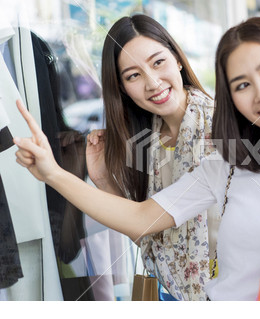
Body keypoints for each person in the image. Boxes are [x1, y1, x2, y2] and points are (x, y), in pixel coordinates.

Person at [14, 17, 260, 300]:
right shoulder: (211, 161)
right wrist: (64, 174)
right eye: (242, 84)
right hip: (173, 294)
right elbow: (143, 224)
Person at [84, 15, 218, 301]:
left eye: (158, 62)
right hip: (167, 293)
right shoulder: (148, 140)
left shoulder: (222, 129)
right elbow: (144, 233)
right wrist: (103, 180)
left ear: (178, 59)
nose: (153, 82)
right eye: (133, 75)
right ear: (121, 88)